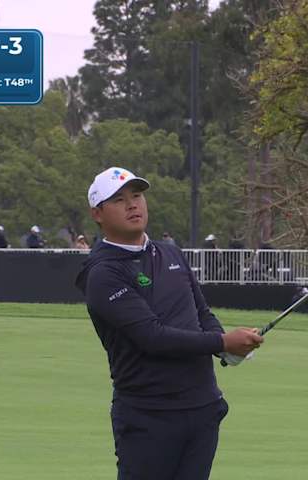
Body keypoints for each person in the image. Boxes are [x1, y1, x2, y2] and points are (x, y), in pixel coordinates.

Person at [75, 166, 263, 480]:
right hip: (149, 416)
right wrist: (222, 342)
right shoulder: (103, 273)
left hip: (201, 408)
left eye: (136, 196)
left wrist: (226, 349)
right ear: (98, 213)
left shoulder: (170, 253)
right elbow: (152, 336)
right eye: (119, 200)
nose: (133, 205)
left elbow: (202, 313)